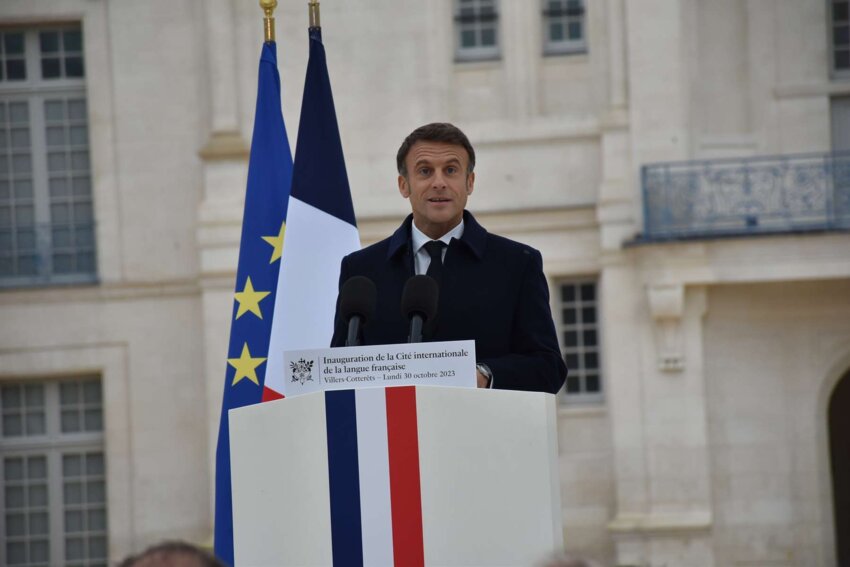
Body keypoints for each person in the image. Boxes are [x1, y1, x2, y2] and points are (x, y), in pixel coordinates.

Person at [330, 122, 567, 393]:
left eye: (451, 170)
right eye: (425, 171)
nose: (439, 182)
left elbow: (548, 366)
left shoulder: (517, 264)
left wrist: (485, 375)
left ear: (470, 182)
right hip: (390, 431)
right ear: (403, 185)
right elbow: (340, 370)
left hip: (484, 429)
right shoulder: (361, 270)